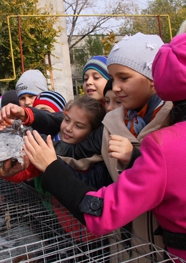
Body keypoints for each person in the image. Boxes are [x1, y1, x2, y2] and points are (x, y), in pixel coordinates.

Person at [21, 32, 186, 261]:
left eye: (124, 78)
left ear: (152, 77)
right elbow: (77, 154)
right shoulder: (111, 124)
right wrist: (33, 159)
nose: (115, 87)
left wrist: (136, 157)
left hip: (161, 250)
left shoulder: (168, 133)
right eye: (112, 78)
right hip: (124, 247)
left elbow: (105, 209)